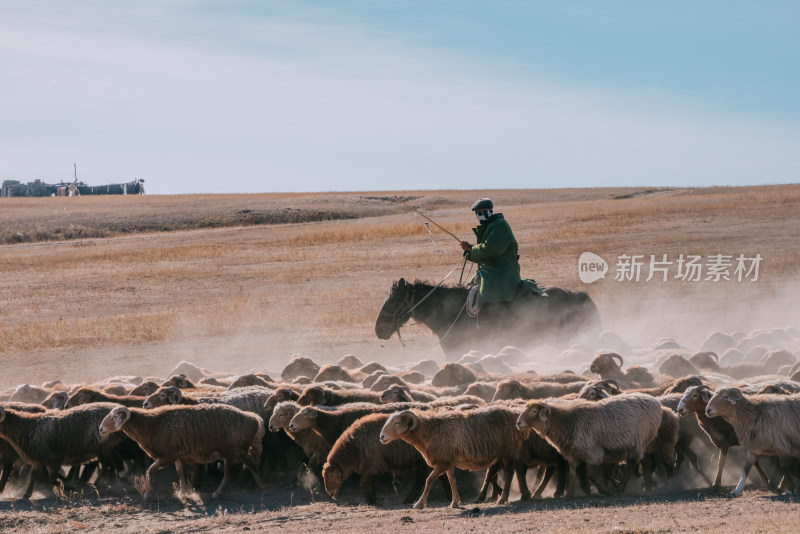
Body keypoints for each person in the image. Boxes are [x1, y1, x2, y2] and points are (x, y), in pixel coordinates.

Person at [460, 198, 523, 313]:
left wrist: (471, 250)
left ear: (489, 211)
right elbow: (485, 247)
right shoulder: (490, 225)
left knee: (486, 300)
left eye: (480, 212)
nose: (478, 216)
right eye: (476, 213)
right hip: (489, 272)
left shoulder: (500, 225)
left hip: (502, 273)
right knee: (466, 290)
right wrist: (470, 249)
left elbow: (490, 249)